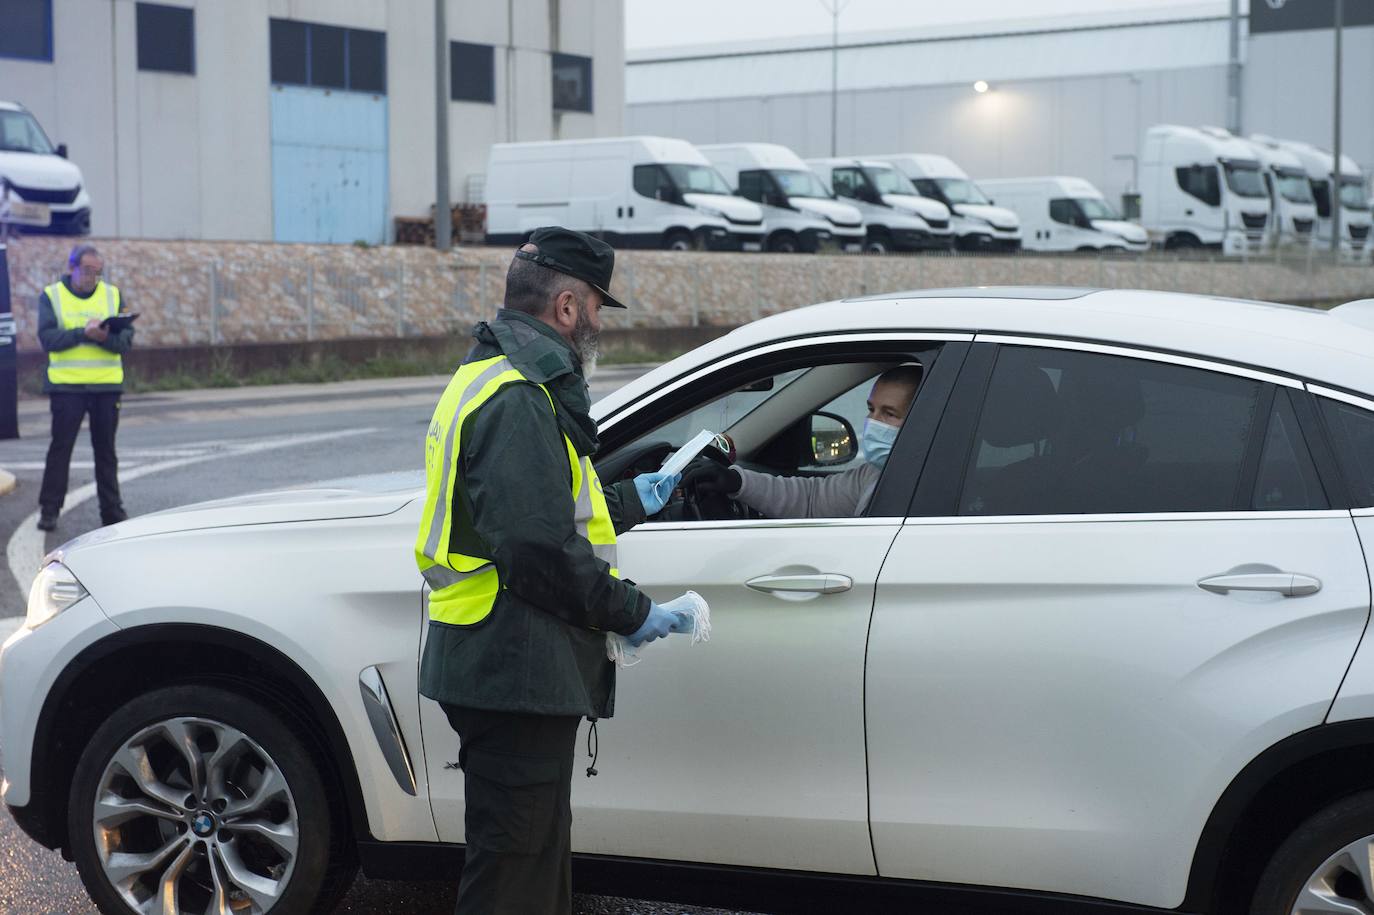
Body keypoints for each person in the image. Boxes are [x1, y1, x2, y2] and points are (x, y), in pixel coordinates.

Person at [414, 226, 693, 915]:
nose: (599, 324)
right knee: (514, 880)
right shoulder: (519, 397)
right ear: (567, 307)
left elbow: (546, 514)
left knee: (528, 861)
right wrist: (632, 612)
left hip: (505, 661)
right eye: (598, 306)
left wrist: (636, 498)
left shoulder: (498, 376)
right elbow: (537, 550)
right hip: (512, 666)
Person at [683, 364, 921, 518]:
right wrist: (736, 481)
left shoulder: (931, 482)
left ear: (923, 418)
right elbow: (812, 499)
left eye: (889, 414)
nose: (872, 422)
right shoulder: (875, 474)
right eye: (871, 409)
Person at [36, 244, 133, 531]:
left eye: (98, 272)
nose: (93, 277)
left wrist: (104, 338)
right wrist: (83, 333)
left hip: (106, 387)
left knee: (106, 452)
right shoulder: (52, 296)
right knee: (60, 449)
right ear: (72, 267)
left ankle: (112, 513)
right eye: (88, 270)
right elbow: (48, 339)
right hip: (67, 387)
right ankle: (49, 510)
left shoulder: (112, 295)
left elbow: (126, 340)